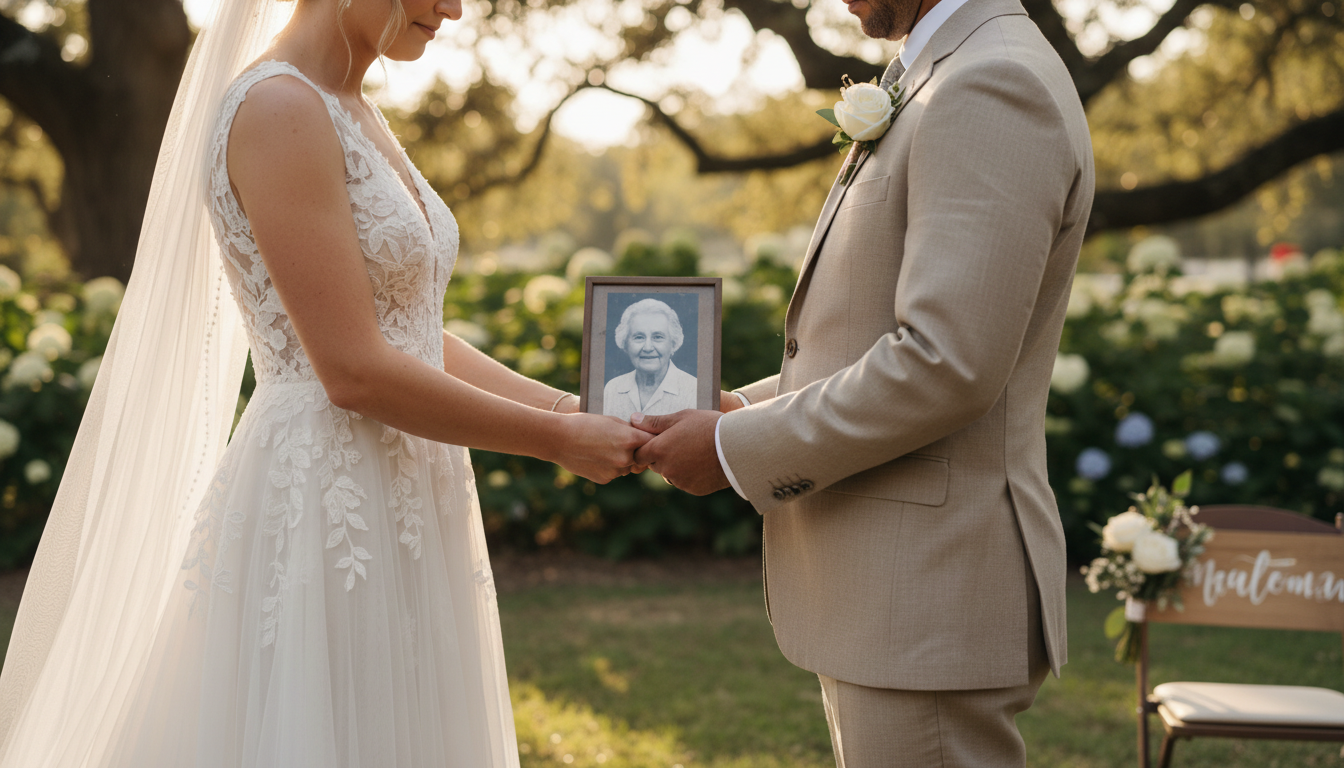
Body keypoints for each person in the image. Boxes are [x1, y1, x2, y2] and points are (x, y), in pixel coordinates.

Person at [0, 0, 647, 764]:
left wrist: (570, 406)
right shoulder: (278, 107)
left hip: (410, 484)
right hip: (329, 494)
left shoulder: (349, 104)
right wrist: (556, 439)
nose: (456, 9)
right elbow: (350, 369)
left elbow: (409, 331)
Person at [631, 0, 1094, 763]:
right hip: (896, 591)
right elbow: (872, 339)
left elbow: (945, 364)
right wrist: (738, 407)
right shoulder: (942, 72)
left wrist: (731, 449)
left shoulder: (995, 82)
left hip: (929, 587)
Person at [602, 298, 698, 421]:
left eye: (658, 337)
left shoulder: (693, 390)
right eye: (639, 337)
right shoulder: (613, 388)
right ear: (625, 344)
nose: (648, 347)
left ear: (673, 343)